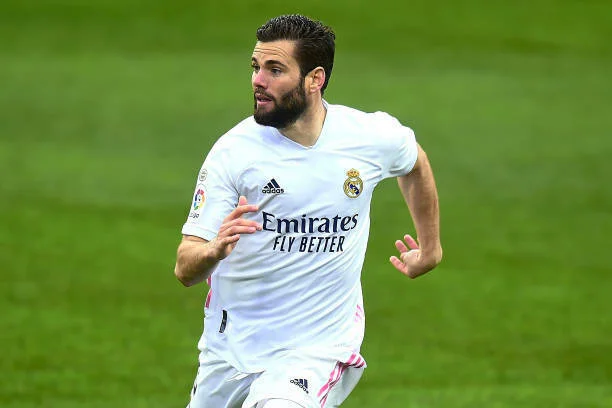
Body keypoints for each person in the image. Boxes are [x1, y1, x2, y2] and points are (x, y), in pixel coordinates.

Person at [174, 14, 442, 408]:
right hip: (230, 348)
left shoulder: (368, 137)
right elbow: (184, 267)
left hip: (316, 349)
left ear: (315, 79)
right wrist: (213, 250)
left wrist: (431, 246)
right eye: (256, 67)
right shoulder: (234, 153)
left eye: (275, 69)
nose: (257, 81)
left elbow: (413, 161)